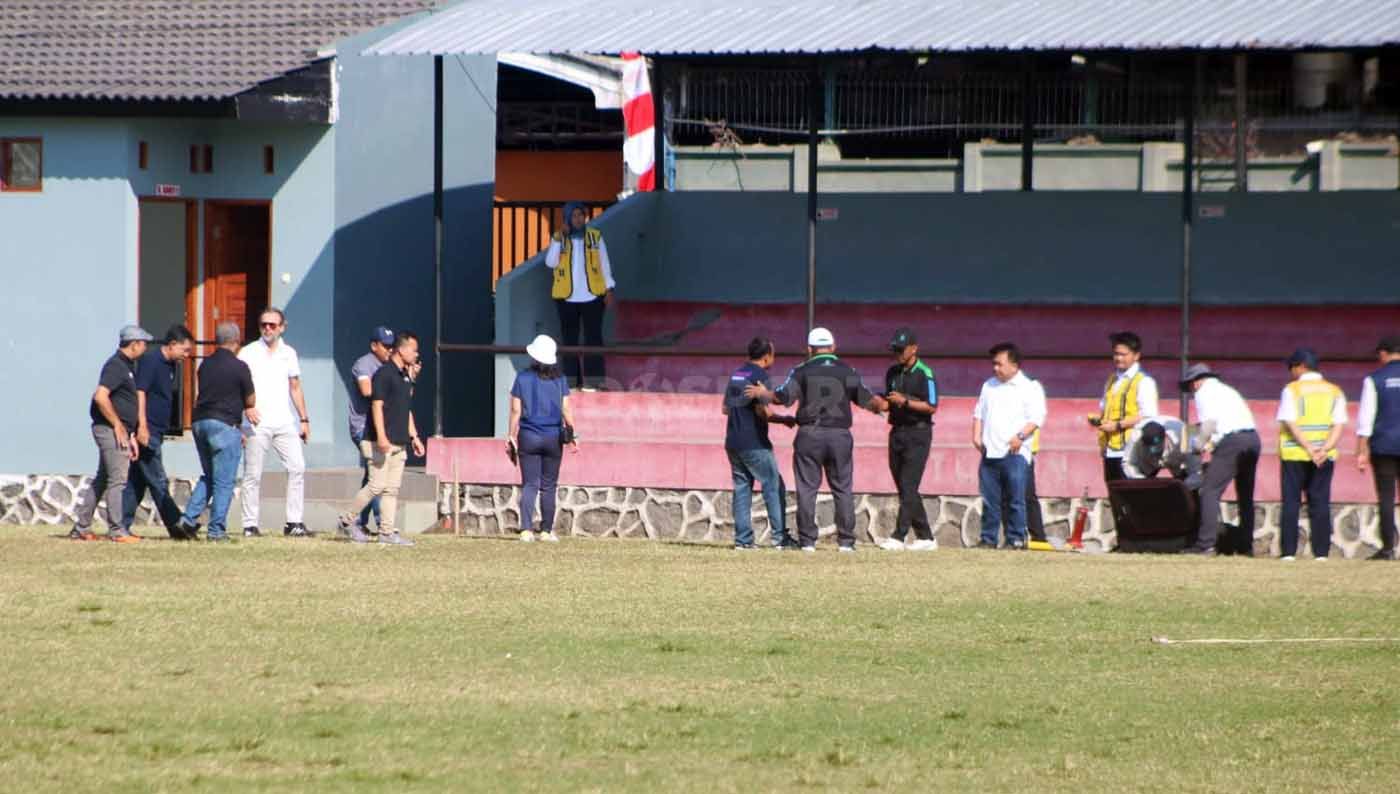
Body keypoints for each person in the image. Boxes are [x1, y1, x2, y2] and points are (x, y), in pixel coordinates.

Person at [746, 328, 885, 552]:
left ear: (809, 349)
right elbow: (867, 400)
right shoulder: (847, 370)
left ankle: (808, 542)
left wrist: (763, 393)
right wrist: (883, 405)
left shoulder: (801, 370)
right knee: (843, 488)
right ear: (833, 346)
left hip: (809, 435)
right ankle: (846, 543)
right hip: (840, 435)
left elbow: (782, 397)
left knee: (807, 489)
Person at [336, 332, 425, 546]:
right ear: (401, 350)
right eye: (413, 350)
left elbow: (405, 409)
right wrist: (382, 437)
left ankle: (387, 531)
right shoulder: (384, 374)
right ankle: (347, 521)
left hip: (400, 439)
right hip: (379, 441)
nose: (416, 354)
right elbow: (376, 406)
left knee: (392, 489)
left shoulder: (404, 376)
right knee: (376, 485)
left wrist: (414, 436)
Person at [175, 322, 257, 542]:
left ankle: (188, 520)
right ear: (237, 341)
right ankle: (216, 531)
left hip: (200, 423)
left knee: (210, 476)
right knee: (224, 481)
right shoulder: (240, 367)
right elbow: (250, 399)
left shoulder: (205, 365)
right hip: (224, 425)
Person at [71, 325, 151, 542]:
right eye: (144, 344)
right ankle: (117, 530)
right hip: (109, 430)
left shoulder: (127, 366)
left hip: (119, 431)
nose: (146, 348)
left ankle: (81, 528)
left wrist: (131, 434)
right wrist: (117, 425)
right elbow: (101, 396)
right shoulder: (116, 366)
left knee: (103, 479)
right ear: (134, 344)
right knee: (118, 480)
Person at [238, 306, 312, 537]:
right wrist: (243, 413)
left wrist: (304, 419)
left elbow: (295, 387)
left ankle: (294, 522)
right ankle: (250, 524)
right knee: (253, 474)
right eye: (264, 325)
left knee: (297, 467)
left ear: (282, 327)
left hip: (284, 421)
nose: (268, 329)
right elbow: (237, 386)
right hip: (256, 421)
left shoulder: (288, 353)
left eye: (272, 325)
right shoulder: (248, 352)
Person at [121, 324, 195, 539]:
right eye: (185, 350)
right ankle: (178, 527)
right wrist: (142, 426)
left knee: (137, 481)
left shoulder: (171, 365)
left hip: (158, 431)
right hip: (148, 430)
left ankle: (119, 525)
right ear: (172, 345)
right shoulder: (151, 361)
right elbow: (140, 393)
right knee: (158, 480)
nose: (187, 355)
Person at [723, 337, 797, 550]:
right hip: (754, 442)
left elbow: (725, 408)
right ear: (766, 357)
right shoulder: (760, 376)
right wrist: (784, 420)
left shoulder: (737, 373)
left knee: (742, 488)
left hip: (733, 441)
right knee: (773, 486)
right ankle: (779, 538)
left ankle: (743, 541)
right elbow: (762, 411)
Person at [972, 343, 1046, 550]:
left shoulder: (1029, 386)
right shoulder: (989, 385)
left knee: (1015, 499)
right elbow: (979, 413)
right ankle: (988, 538)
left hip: (1015, 453)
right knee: (990, 500)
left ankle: (1015, 538)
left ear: (1014, 365)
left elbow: (1036, 418)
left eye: (1000, 364)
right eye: (993, 364)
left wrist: (1020, 436)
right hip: (990, 452)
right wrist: (976, 436)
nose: (995, 368)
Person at [1180, 363, 1259, 556]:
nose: (1191, 391)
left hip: (1233, 442)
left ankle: (1205, 544)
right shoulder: (1227, 391)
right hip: (1252, 439)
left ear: (1196, 382)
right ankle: (1246, 546)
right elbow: (1224, 424)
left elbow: (1209, 424)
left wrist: (1197, 446)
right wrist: (1213, 444)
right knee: (1245, 495)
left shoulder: (1204, 392)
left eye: (1190, 386)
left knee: (1209, 490)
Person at [1276, 348, 1347, 562]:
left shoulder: (1292, 390)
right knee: (1320, 501)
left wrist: (1308, 447)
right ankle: (1321, 553)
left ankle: (1289, 552)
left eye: (1292, 368)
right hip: (1324, 456)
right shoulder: (1335, 391)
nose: (1291, 372)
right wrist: (1323, 449)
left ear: (1301, 367)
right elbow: (1339, 424)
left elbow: (1290, 421)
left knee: (1291, 502)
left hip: (1295, 453)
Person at [506, 334, 578, 543]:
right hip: (553, 437)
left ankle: (526, 529)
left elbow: (515, 410)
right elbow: (566, 409)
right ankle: (546, 530)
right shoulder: (561, 380)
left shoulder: (522, 378)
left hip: (528, 435)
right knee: (549, 485)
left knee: (530, 484)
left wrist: (511, 435)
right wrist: (572, 433)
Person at [876, 327, 939, 552]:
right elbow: (887, 401)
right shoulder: (892, 372)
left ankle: (899, 535)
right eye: (895, 350)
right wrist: (876, 404)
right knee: (904, 486)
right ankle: (926, 537)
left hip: (918, 433)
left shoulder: (925, 373)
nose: (898, 354)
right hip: (897, 432)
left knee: (909, 484)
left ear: (914, 349)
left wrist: (906, 402)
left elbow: (932, 406)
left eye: (902, 349)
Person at [546, 201, 615, 390]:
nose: (578, 219)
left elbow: (604, 264)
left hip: (592, 296)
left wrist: (609, 289)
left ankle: (593, 383)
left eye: (580, 215)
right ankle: (571, 382)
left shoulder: (595, 237)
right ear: (567, 218)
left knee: (594, 338)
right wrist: (559, 239)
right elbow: (551, 262)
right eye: (574, 215)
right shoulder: (559, 238)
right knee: (570, 340)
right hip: (567, 298)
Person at [1088, 332, 1159, 485]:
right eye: (1115, 354)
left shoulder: (1144, 381)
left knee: (1132, 497)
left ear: (1136, 356)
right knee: (1115, 497)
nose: (1118, 358)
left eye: (1123, 354)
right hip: (1111, 450)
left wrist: (1118, 425)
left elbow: (1148, 415)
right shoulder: (1112, 380)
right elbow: (1105, 409)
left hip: (1132, 451)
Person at [347, 326, 395, 536]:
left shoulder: (390, 365)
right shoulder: (364, 364)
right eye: (385, 346)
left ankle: (358, 521)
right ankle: (379, 522)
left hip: (380, 428)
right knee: (378, 476)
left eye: (392, 346)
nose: (389, 350)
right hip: (363, 428)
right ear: (374, 345)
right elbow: (367, 390)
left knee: (373, 476)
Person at [1357, 335, 1400, 561]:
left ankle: (1388, 549)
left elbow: (1366, 419)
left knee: (1386, 498)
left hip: (1384, 446)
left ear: (1383, 353)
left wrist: (1361, 451)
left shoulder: (1374, 379)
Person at [1121, 416, 1201, 486]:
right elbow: (1128, 463)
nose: (1153, 451)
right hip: (1147, 465)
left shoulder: (1187, 437)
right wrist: (1140, 481)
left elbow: (1196, 473)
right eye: (1149, 448)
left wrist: (1183, 487)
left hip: (1178, 461)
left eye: (1157, 448)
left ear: (1166, 437)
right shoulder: (1136, 436)